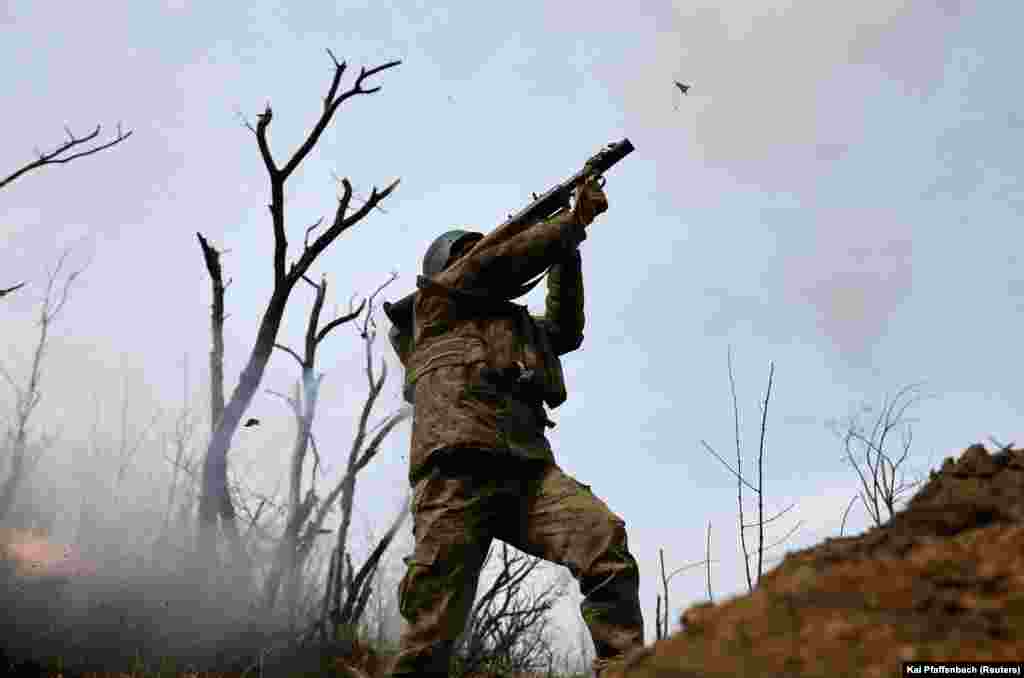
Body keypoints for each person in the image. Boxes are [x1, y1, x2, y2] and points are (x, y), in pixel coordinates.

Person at [387, 174, 644, 677]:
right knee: (432, 629)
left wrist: (566, 248)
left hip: (527, 475)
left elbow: (566, 330)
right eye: (468, 252)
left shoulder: (517, 327)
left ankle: (627, 670)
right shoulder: (434, 308)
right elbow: (493, 265)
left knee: (602, 539)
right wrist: (568, 224)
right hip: (456, 478)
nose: (480, 255)